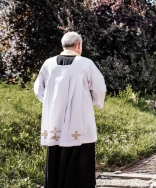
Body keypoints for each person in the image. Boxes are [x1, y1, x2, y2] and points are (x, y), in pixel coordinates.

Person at [34, 32, 106, 188]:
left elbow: (39, 90)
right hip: (80, 121)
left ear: (63, 45)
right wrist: (92, 103)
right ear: (79, 45)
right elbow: (100, 89)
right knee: (81, 160)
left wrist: (51, 104)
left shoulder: (48, 64)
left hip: (54, 122)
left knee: (55, 159)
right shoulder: (86, 64)